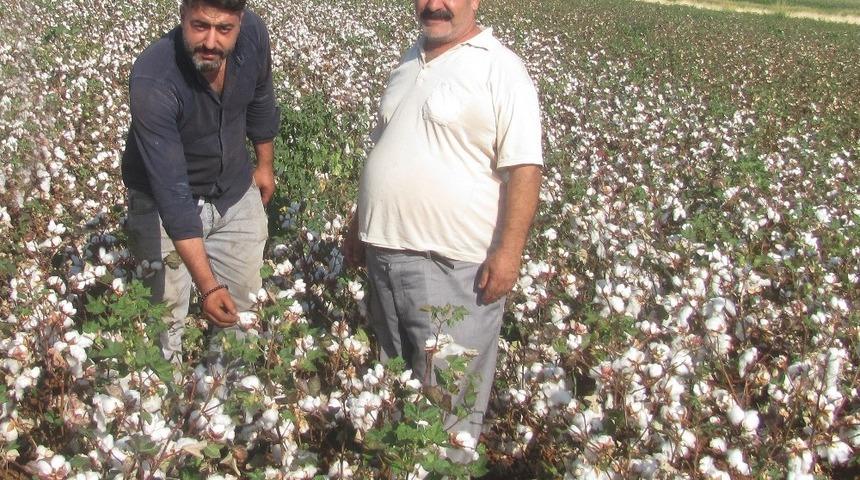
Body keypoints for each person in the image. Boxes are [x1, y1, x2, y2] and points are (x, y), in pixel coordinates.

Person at [343, 0, 543, 457]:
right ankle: (400, 463)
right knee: (397, 382)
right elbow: (386, 145)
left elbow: (525, 169)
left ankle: (445, 466)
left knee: (449, 400)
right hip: (385, 255)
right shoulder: (409, 60)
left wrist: (509, 253)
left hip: (455, 267)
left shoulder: (501, 69)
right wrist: (359, 221)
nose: (435, 5)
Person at [122, 0, 279, 365]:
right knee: (165, 318)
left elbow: (261, 97)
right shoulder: (154, 77)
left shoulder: (254, 35)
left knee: (242, 310)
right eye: (199, 26)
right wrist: (208, 287)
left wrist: (264, 165)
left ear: (240, 22)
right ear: (182, 17)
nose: (210, 41)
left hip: (233, 188)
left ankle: (229, 398)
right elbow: (173, 197)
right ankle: (163, 404)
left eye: (224, 29)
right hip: (162, 203)